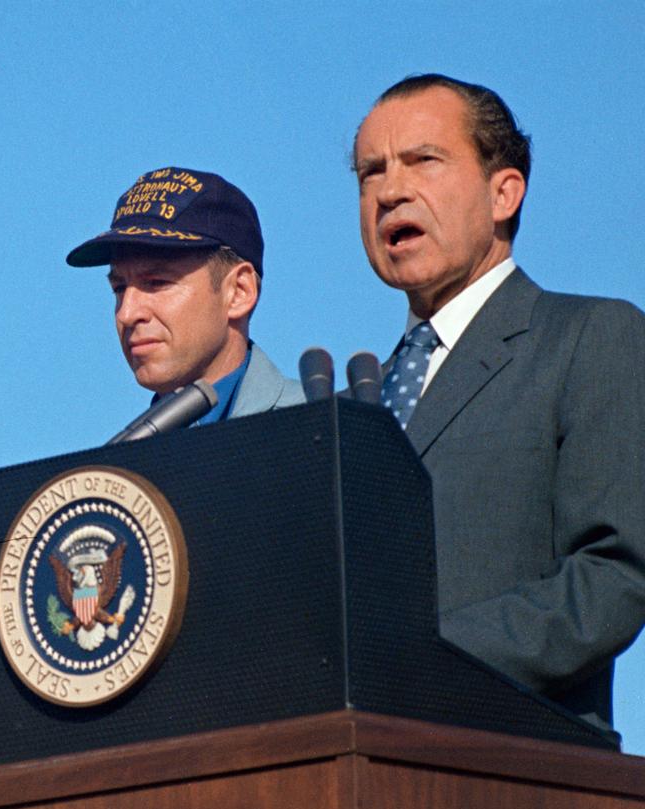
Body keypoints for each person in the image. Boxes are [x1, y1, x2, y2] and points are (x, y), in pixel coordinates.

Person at [353, 73, 645, 732]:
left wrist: (420, 660)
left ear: (503, 191)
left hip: (517, 775)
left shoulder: (588, 339)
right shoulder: (353, 406)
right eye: (371, 172)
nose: (390, 190)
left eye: (423, 160)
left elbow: (613, 579)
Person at [66, 166, 303, 422]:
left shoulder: (323, 431)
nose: (127, 313)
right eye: (119, 288)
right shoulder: (120, 459)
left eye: (156, 283)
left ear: (238, 292)